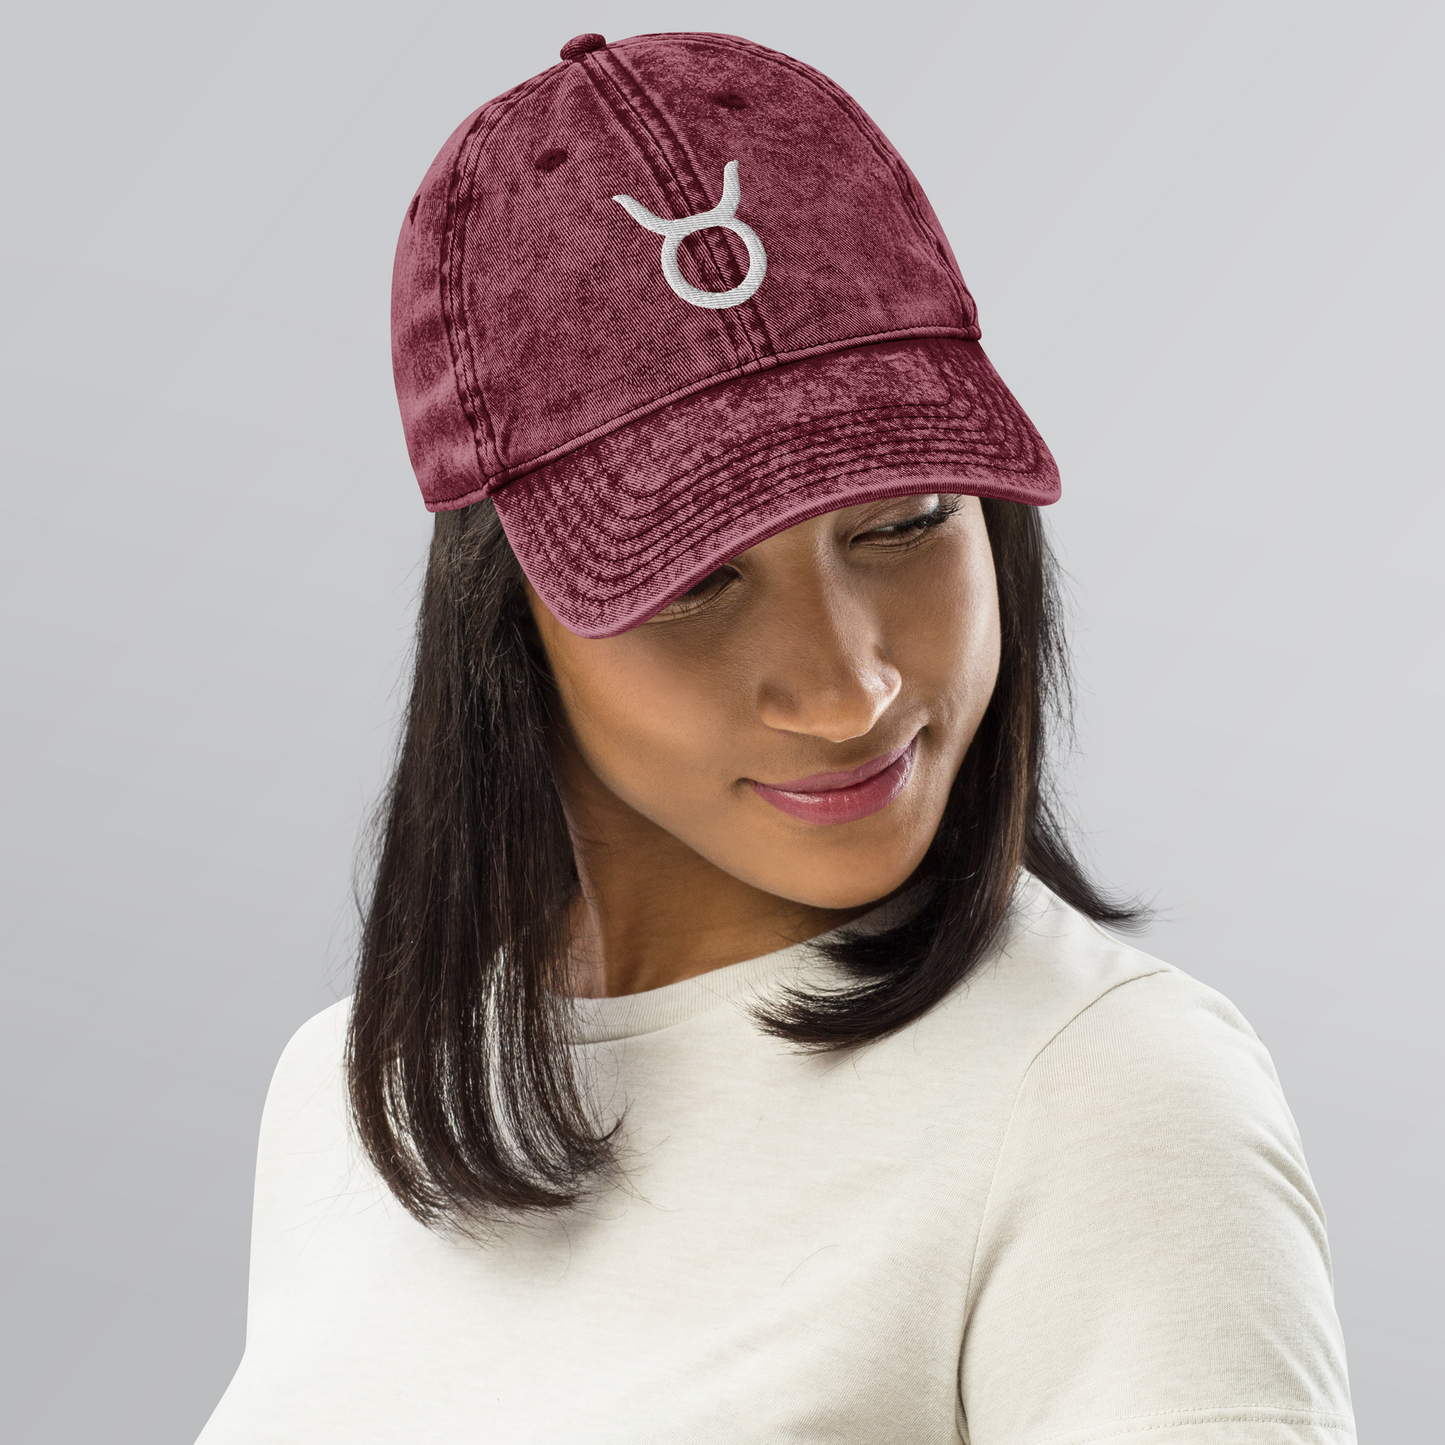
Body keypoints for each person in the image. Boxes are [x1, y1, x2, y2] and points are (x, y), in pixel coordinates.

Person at [197, 31, 1355, 1444]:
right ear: (504, 622)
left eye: (905, 523)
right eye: (697, 582)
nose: (848, 687)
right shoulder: (355, 1099)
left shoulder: (1107, 1100)